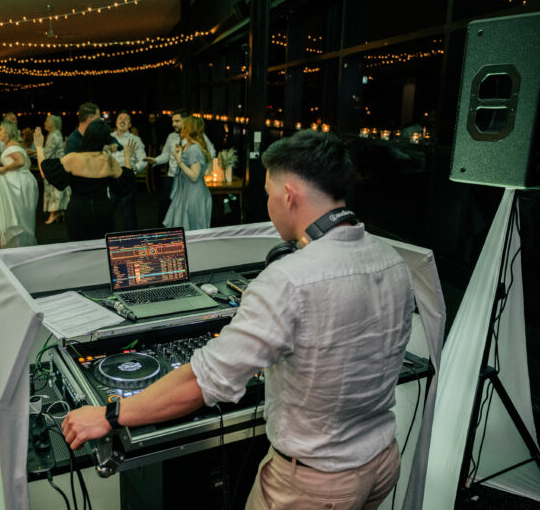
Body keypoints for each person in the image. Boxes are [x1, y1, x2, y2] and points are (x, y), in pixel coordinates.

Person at [61, 130, 414, 510]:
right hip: (381, 462)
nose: (267, 202)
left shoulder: (289, 278)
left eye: (267, 192)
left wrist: (110, 414)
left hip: (316, 485)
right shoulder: (392, 260)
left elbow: (202, 382)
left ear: (288, 195)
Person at [34, 118, 136, 241]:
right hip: (103, 211)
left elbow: (45, 172)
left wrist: (39, 147)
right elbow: (126, 182)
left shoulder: (73, 158)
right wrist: (127, 157)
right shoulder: (109, 161)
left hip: (79, 211)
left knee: (79, 250)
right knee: (101, 249)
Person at [145, 110, 216, 225]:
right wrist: (156, 160)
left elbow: (210, 153)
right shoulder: (171, 137)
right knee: (166, 209)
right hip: (173, 177)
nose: (174, 124)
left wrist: (206, 169)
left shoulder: (198, 141)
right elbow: (167, 154)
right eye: (173, 121)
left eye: (177, 121)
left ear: (186, 122)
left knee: (186, 216)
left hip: (189, 182)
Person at [163, 116, 212, 231]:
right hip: (187, 192)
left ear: (188, 129)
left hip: (194, 195)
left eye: (184, 126)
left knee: (191, 231)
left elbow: (194, 176)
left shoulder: (194, 149)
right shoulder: (188, 146)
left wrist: (179, 161)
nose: (182, 128)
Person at [0, 120, 38, 247]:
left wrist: (4, 169)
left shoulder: (12, 145)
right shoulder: (13, 144)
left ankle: (20, 247)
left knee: (19, 218)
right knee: (21, 218)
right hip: (20, 182)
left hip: (17, 185)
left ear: (7, 131)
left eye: (1, 129)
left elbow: (20, 161)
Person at [110, 111, 147, 230]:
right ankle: (103, 239)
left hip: (126, 175)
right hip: (110, 176)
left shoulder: (135, 139)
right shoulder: (109, 138)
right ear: (116, 122)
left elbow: (144, 160)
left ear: (130, 125)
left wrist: (133, 169)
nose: (122, 120)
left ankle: (132, 239)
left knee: (128, 212)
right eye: (120, 118)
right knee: (107, 210)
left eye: (125, 119)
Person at [41, 114, 71, 225]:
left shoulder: (54, 136)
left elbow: (47, 152)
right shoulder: (55, 135)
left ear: (53, 123)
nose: (45, 123)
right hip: (57, 166)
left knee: (54, 191)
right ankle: (59, 213)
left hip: (55, 167)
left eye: (47, 121)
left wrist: (35, 151)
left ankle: (53, 214)